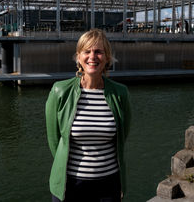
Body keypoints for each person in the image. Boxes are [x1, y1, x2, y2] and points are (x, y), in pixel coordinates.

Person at [45, 29, 131, 202]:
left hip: (109, 184)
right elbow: (54, 140)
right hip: (70, 185)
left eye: (99, 52)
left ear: (107, 58)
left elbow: (123, 135)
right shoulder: (60, 91)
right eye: (87, 51)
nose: (93, 56)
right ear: (78, 57)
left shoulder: (120, 93)